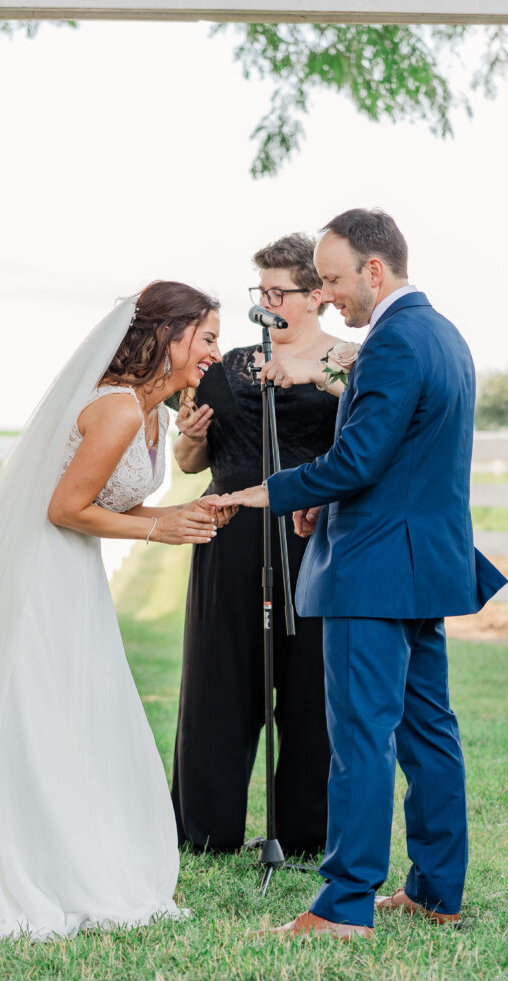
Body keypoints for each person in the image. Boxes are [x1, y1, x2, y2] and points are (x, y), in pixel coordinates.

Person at [213, 209, 507, 939]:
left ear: (374, 271)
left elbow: (360, 458)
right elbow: (400, 456)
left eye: (336, 279)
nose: (329, 294)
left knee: (359, 737)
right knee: (426, 731)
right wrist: (328, 501)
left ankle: (341, 906)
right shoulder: (441, 335)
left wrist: (269, 492)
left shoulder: (393, 341)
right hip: (419, 562)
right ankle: (436, 892)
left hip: (374, 567)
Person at [0, 280, 237, 938]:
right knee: (36, 712)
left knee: (69, 707)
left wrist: (173, 514)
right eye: (206, 337)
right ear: (168, 337)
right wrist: (157, 531)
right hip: (40, 573)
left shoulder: (155, 414)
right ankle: (30, 858)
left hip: (73, 573)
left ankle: (67, 841)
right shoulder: (115, 408)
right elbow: (62, 509)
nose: (214, 350)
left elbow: (103, 501)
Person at [171, 233, 345, 856]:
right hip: (230, 531)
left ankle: (302, 833)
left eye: (281, 292)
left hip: (311, 532)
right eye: (261, 291)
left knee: (309, 687)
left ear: (317, 295)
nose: (269, 302)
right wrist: (188, 434)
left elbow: (369, 434)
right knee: (220, 677)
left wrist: (320, 377)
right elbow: (191, 460)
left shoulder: (348, 359)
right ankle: (206, 830)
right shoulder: (232, 363)